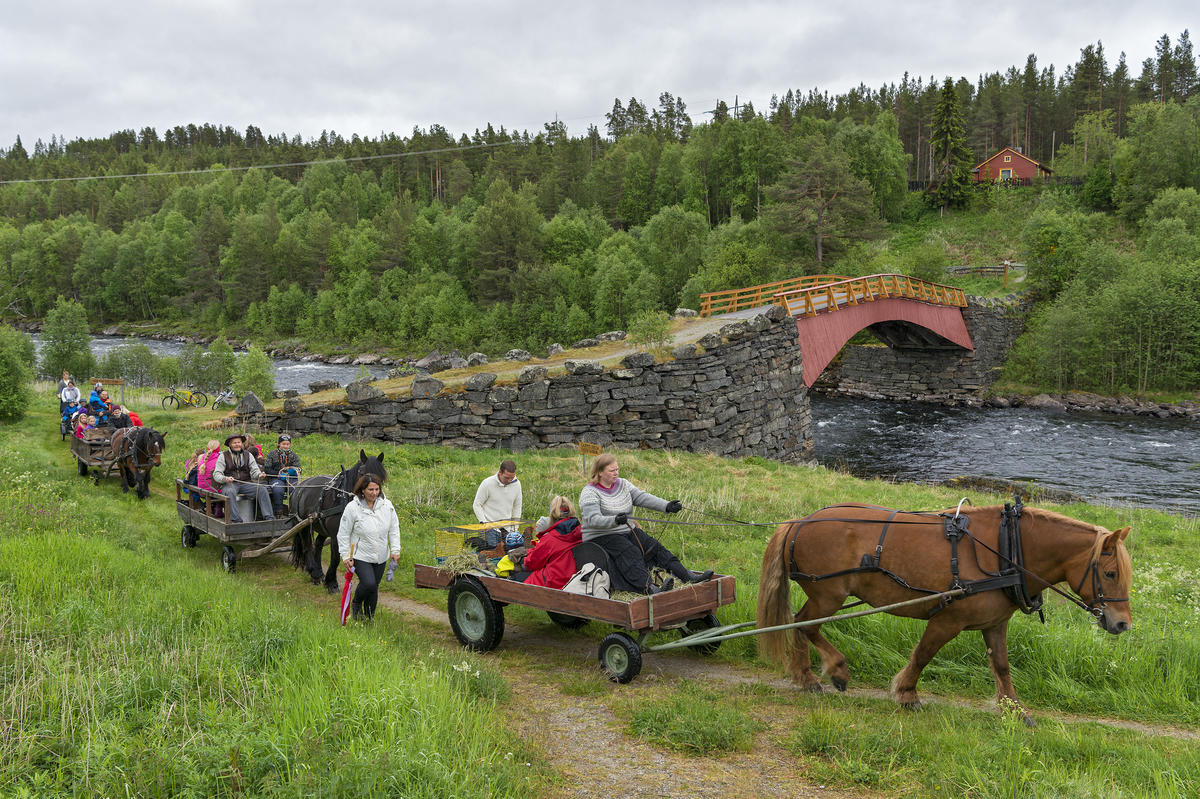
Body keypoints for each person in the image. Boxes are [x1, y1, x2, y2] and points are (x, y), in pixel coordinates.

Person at [578, 454, 712, 595]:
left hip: (626, 530)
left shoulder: (623, 484)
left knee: (654, 547)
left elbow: (642, 497)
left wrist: (666, 506)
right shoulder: (589, 492)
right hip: (601, 535)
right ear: (599, 472)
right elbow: (593, 519)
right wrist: (614, 520)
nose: (616, 473)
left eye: (617, 469)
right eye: (612, 471)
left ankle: (687, 576)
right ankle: (649, 588)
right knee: (630, 552)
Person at [338, 474, 401, 621]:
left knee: (374, 587)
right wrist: (346, 556)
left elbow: (394, 529)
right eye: (370, 489)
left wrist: (395, 550)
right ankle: (356, 603)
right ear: (362, 490)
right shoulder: (353, 508)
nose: (374, 493)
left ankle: (368, 619)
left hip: (380, 555)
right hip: (361, 555)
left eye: (377, 489)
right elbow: (343, 533)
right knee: (369, 583)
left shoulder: (387, 506)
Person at [517, 496, 583, 589]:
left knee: (515, 578)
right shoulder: (581, 532)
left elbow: (533, 563)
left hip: (554, 581)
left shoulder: (551, 537)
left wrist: (522, 560)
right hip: (574, 579)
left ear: (552, 514)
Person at [210, 433, 274, 522]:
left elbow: (254, 470)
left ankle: (269, 518)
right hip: (230, 484)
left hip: (245, 483)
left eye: (239, 442)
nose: (237, 444)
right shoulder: (223, 456)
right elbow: (216, 474)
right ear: (230, 445)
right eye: (234, 443)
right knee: (230, 491)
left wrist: (259, 474)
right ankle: (236, 520)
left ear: (242, 444)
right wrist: (225, 479)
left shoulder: (248, 455)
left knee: (261, 489)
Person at [472, 459, 522, 545]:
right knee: (492, 556)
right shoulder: (487, 483)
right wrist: (484, 523)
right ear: (500, 472)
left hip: (507, 530)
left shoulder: (517, 485)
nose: (510, 480)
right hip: (489, 530)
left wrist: (515, 528)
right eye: (507, 477)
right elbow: (477, 504)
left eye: (512, 477)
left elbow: (517, 507)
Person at [263, 434, 302, 517]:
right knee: (278, 490)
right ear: (279, 444)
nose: (285, 446)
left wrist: (292, 472)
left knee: (295, 489)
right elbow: (267, 469)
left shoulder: (293, 455)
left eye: (287, 444)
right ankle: (278, 512)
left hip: (290, 478)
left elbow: (299, 468)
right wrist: (278, 474)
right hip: (276, 478)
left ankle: (294, 511)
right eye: (283, 444)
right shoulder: (272, 454)